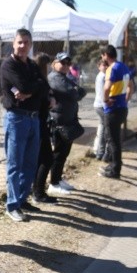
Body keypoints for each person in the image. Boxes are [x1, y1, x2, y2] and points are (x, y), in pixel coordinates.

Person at [0, 28, 50, 222]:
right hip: (17, 118)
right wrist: (31, 88)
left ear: (30, 45)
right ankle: (12, 205)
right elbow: (24, 87)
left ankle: (22, 199)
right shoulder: (8, 65)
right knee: (15, 164)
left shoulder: (31, 65)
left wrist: (31, 89)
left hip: (33, 118)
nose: (23, 46)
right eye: (20, 42)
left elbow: (42, 86)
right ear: (13, 43)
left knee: (30, 162)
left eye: (26, 43)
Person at [46, 52, 87, 195]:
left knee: (64, 153)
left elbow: (81, 91)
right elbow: (73, 93)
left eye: (68, 63)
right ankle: (53, 183)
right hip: (59, 122)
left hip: (68, 121)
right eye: (62, 63)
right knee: (58, 153)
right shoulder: (54, 78)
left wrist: (75, 91)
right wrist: (75, 92)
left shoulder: (64, 78)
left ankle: (58, 179)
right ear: (54, 63)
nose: (65, 66)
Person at [100, 45, 134, 179]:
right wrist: (126, 98)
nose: (102, 58)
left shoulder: (111, 68)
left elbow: (107, 87)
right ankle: (114, 164)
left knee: (113, 140)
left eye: (102, 55)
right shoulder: (123, 66)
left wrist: (105, 100)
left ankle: (115, 170)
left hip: (112, 108)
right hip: (122, 108)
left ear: (105, 55)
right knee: (115, 139)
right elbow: (131, 86)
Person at [31, 52, 58, 205]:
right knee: (46, 158)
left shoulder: (39, 80)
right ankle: (38, 192)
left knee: (44, 158)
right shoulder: (39, 80)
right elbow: (44, 100)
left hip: (41, 122)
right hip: (39, 122)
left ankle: (38, 190)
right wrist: (50, 101)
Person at [92, 56, 110, 161]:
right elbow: (103, 93)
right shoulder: (102, 76)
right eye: (103, 65)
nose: (105, 66)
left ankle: (99, 151)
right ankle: (101, 152)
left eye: (106, 65)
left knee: (103, 127)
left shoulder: (102, 75)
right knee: (104, 128)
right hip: (101, 105)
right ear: (99, 67)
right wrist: (106, 105)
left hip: (100, 104)